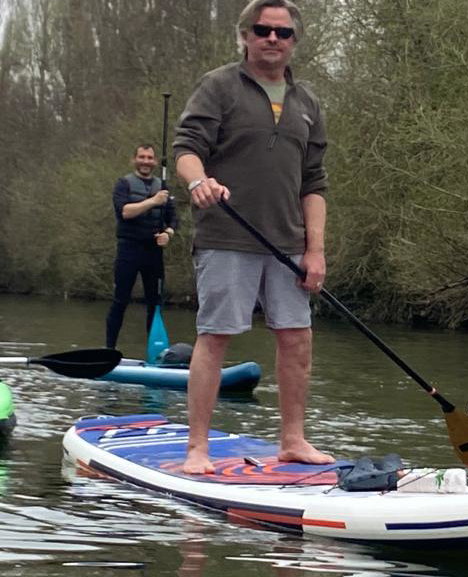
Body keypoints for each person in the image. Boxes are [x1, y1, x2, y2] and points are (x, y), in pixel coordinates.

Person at [173, 0, 331, 474]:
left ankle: (293, 441)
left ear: (294, 41)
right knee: (216, 335)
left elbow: (314, 183)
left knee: (297, 337)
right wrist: (198, 182)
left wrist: (315, 250)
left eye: (283, 33)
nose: (272, 39)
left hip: (288, 244)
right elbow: (186, 149)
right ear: (245, 35)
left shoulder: (307, 104)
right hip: (228, 235)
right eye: (262, 30)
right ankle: (197, 448)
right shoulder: (219, 85)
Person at [105, 144, 178, 349]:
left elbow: (173, 220)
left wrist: (167, 234)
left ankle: (154, 352)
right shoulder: (123, 184)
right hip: (129, 249)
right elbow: (125, 212)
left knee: (155, 305)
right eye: (142, 157)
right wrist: (153, 201)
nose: (146, 161)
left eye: (150, 158)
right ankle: (109, 348)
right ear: (134, 159)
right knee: (120, 301)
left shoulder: (162, 187)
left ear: (155, 162)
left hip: (153, 252)